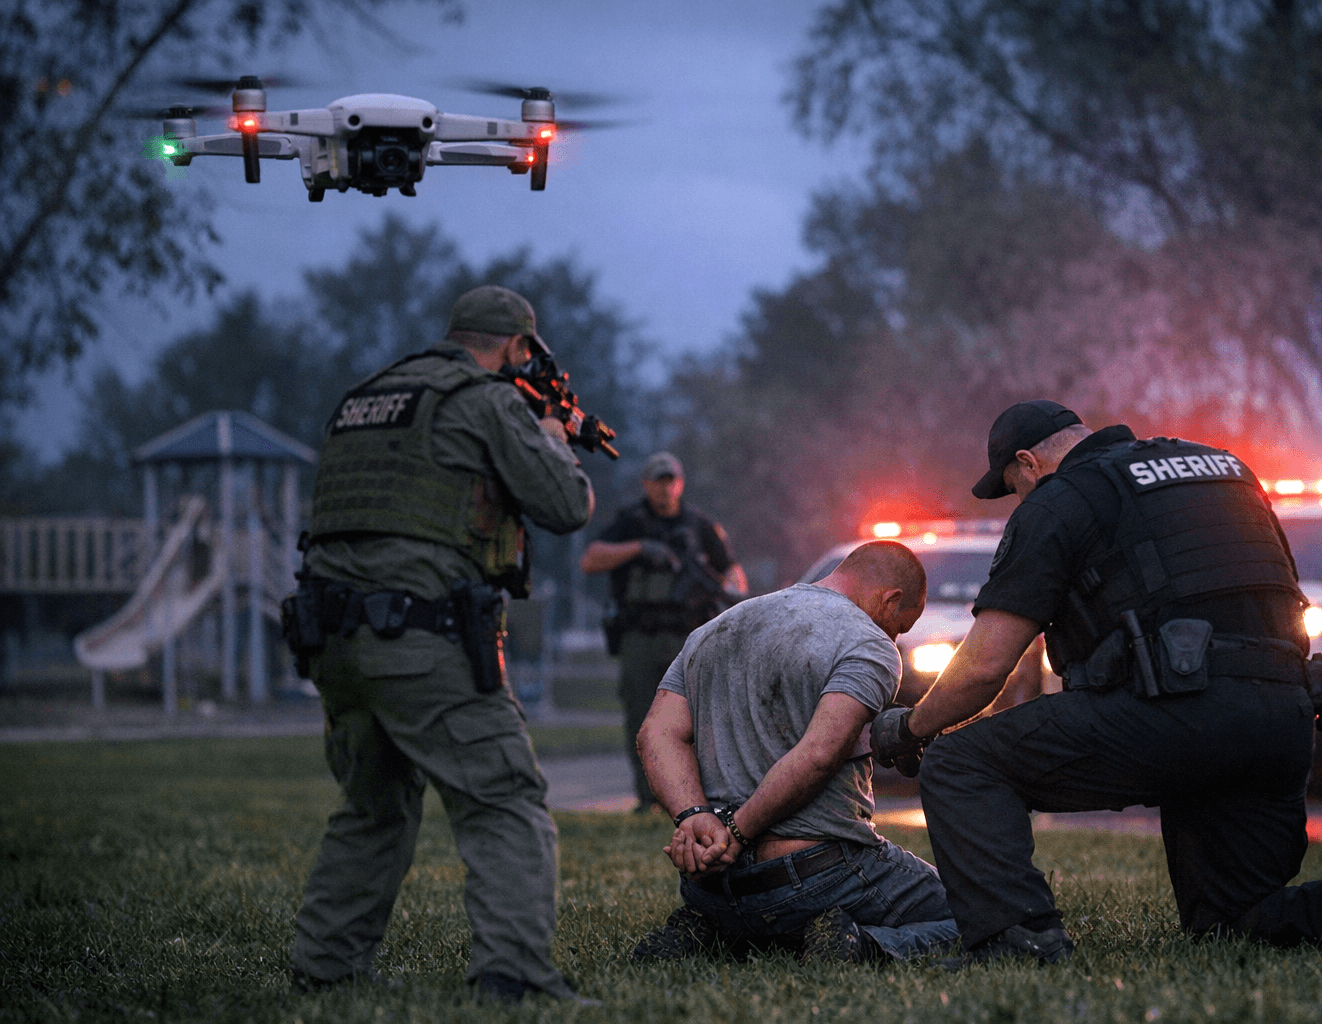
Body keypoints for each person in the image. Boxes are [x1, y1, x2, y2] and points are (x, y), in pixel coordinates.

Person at [871, 400, 1322, 967]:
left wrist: (912, 727)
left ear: (1027, 463)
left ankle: (1019, 945)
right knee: (1235, 924)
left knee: (960, 764)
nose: (1018, 501)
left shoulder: (1062, 498)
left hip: (1176, 715)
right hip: (1283, 720)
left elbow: (982, 667)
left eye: (1013, 487)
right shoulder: (1223, 470)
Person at [286, 285, 596, 1004]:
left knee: (374, 803)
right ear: (519, 348)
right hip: (423, 636)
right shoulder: (486, 401)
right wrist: (550, 436)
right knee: (504, 798)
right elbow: (565, 506)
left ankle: (326, 969)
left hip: (332, 638)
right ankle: (513, 976)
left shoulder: (364, 397)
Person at [631, 541, 960, 963]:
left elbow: (655, 734)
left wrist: (696, 819)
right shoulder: (868, 643)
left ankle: (712, 934)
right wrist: (736, 831)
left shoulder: (715, 629)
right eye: (900, 625)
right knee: (982, 914)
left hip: (711, 883)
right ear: (890, 598)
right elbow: (820, 753)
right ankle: (862, 946)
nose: (894, 636)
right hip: (816, 878)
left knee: (742, 917)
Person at [579, 452, 747, 812]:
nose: (665, 488)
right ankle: (647, 798)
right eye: (658, 480)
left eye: (670, 480)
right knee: (641, 717)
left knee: (693, 721)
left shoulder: (700, 525)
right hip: (639, 636)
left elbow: (733, 575)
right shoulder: (631, 522)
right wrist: (639, 548)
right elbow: (590, 559)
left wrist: (725, 599)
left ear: (680, 483)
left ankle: (691, 800)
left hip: (685, 638)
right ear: (646, 484)